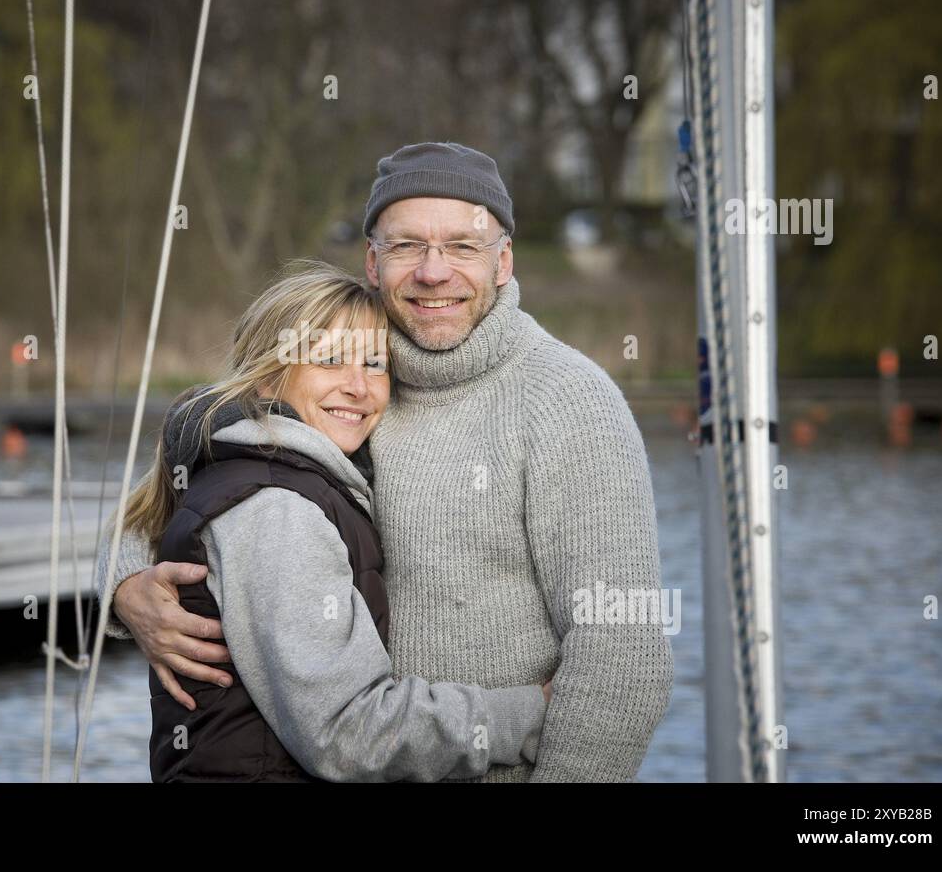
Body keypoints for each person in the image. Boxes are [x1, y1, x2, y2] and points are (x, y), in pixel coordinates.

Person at [104, 142, 674, 782]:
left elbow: (622, 659)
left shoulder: (570, 401)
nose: (435, 272)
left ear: (504, 261)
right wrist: (127, 589)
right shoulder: (356, 378)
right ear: (373, 262)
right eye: (407, 247)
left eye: (463, 246)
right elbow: (186, 484)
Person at [105, 260, 549, 782]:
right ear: (271, 372)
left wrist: (122, 581)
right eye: (330, 360)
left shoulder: (268, 464)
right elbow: (347, 732)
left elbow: (142, 515)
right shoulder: (279, 508)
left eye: (375, 364)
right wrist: (526, 714)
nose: (359, 388)